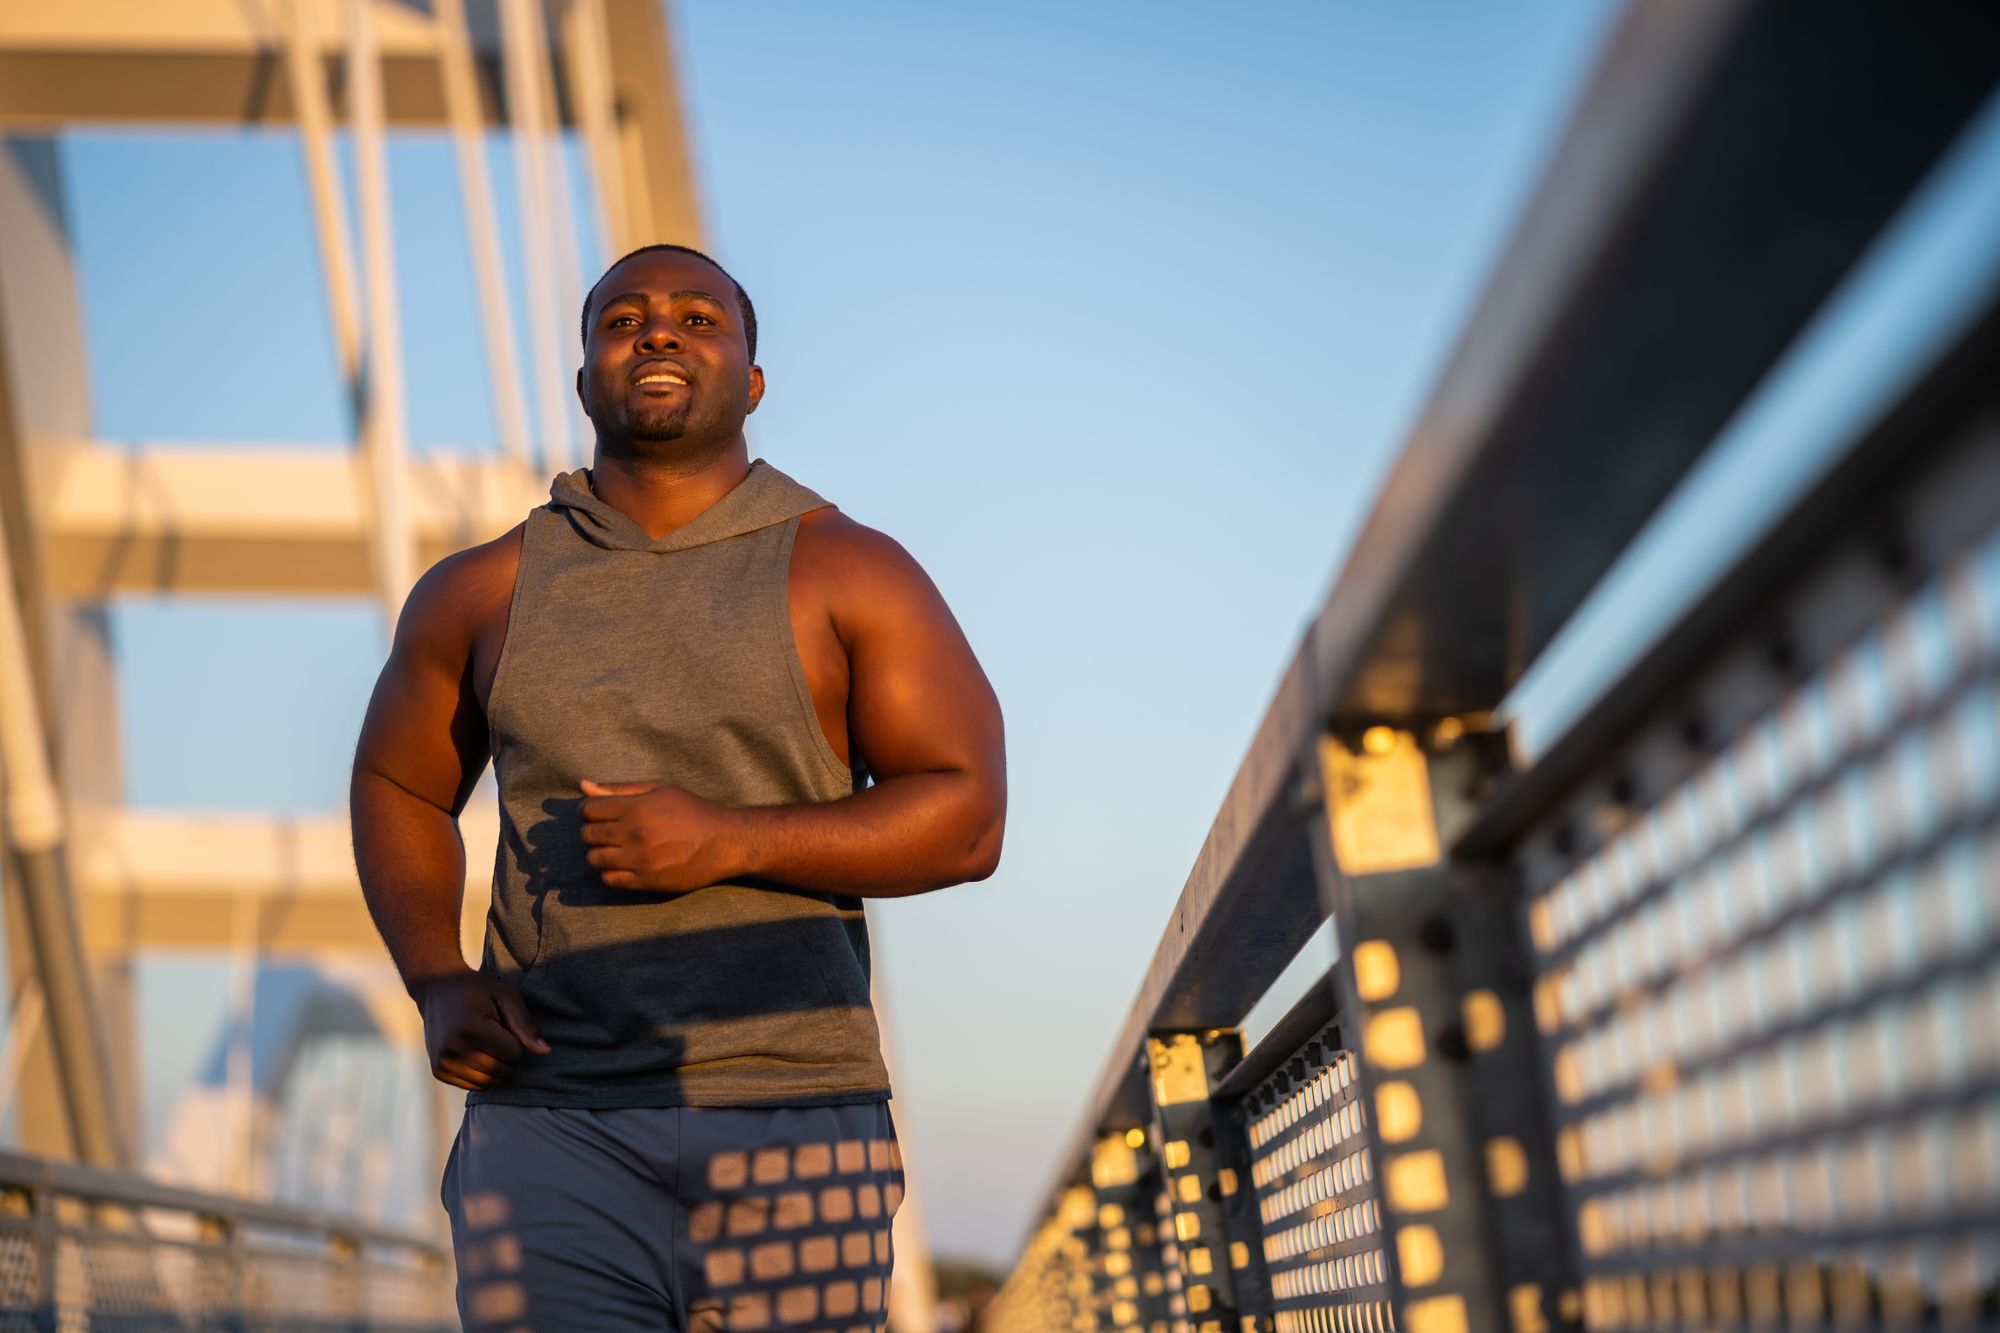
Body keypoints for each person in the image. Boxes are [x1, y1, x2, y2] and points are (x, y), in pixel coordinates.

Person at [349, 243, 1007, 1331]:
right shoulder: (480, 590)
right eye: (623, 319)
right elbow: (396, 785)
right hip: (549, 1118)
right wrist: (435, 977)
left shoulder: (848, 568)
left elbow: (966, 816)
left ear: (751, 381)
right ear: (583, 378)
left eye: (698, 319)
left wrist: (731, 841)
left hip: (795, 1110)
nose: (657, 332)